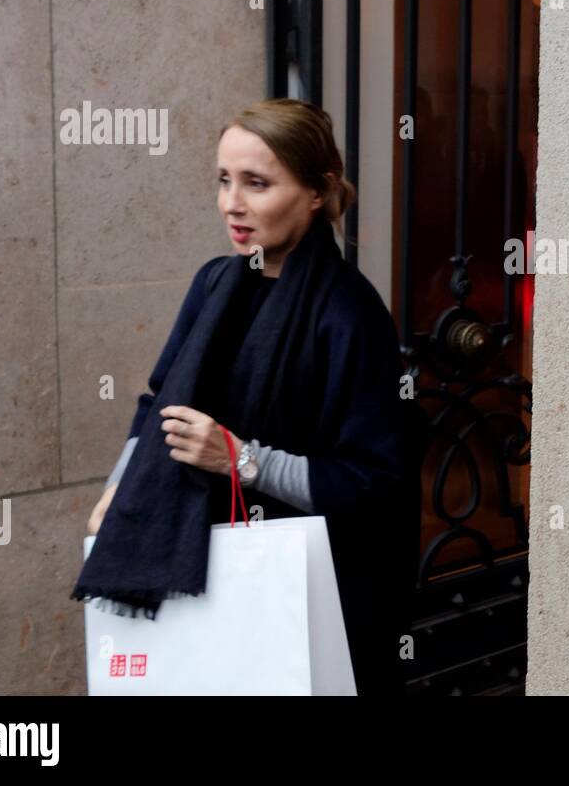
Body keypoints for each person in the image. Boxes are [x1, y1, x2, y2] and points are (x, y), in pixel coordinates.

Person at [73, 98, 420, 697]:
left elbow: (374, 481)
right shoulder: (215, 281)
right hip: (193, 556)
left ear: (318, 192)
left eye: (257, 184)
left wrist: (240, 459)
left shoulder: (348, 313)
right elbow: (160, 402)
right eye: (224, 179)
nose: (232, 203)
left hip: (309, 585)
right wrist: (119, 488)